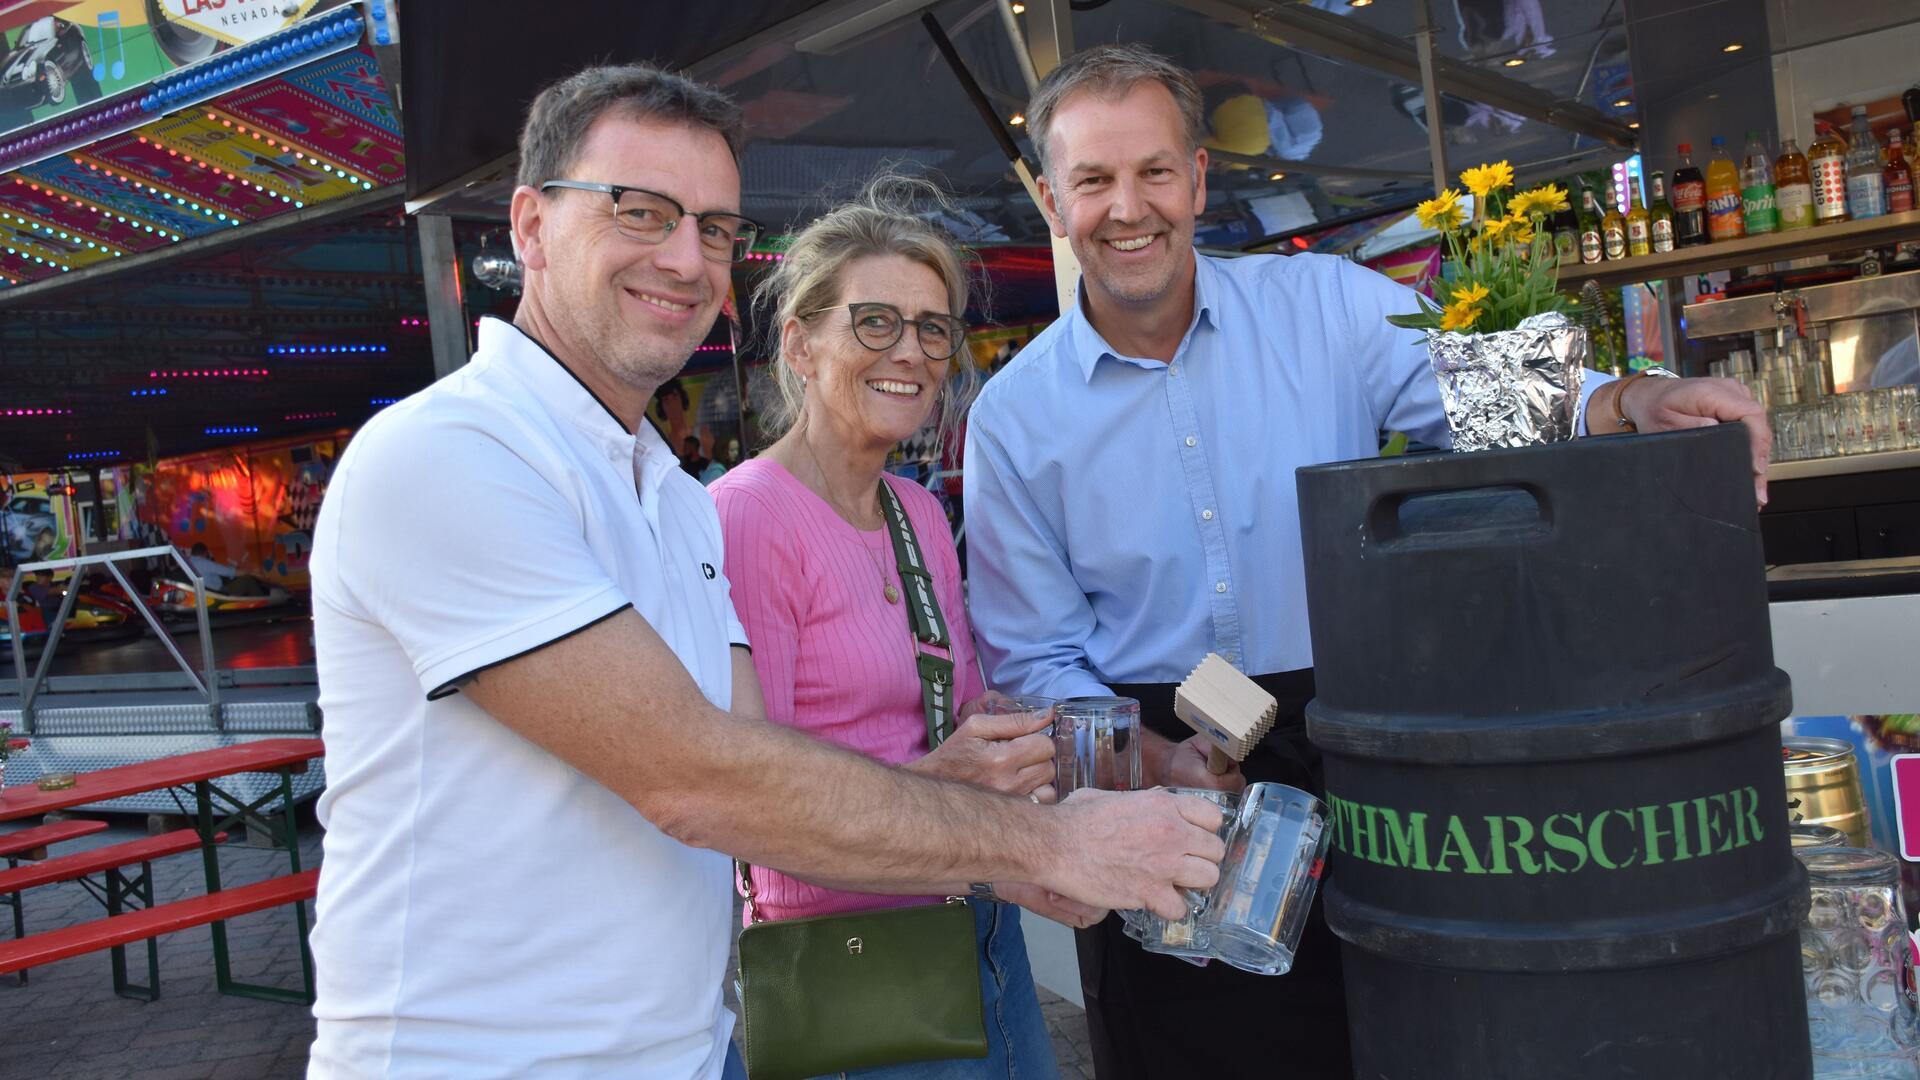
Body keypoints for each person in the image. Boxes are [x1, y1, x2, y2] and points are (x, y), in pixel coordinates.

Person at [307, 62, 1227, 1079]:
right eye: (642, 211)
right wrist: (1045, 847)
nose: (686, 257)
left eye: (715, 228)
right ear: (530, 226)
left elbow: (765, 771)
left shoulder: (663, 493)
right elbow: (700, 777)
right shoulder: (450, 455)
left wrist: (1020, 837)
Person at [962, 44, 1771, 1080]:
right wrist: (1154, 765)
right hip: (1158, 783)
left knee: (1415, 1035)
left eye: (1155, 172)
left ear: (1200, 177)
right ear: (1049, 197)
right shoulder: (1014, 419)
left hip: (1374, 758)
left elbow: (1480, 395)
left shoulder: (1327, 307)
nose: (1130, 208)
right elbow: (1036, 662)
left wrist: (1631, 401)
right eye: (1094, 180)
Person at [712, 178, 1140, 1079]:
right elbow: (755, 821)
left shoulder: (914, 509)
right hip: (858, 965)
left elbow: (970, 720)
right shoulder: (748, 519)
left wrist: (1081, 787)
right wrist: (936, 793)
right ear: (799, 342)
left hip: (981, 924)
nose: (910, 350)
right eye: (875, 321)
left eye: (932, 327)